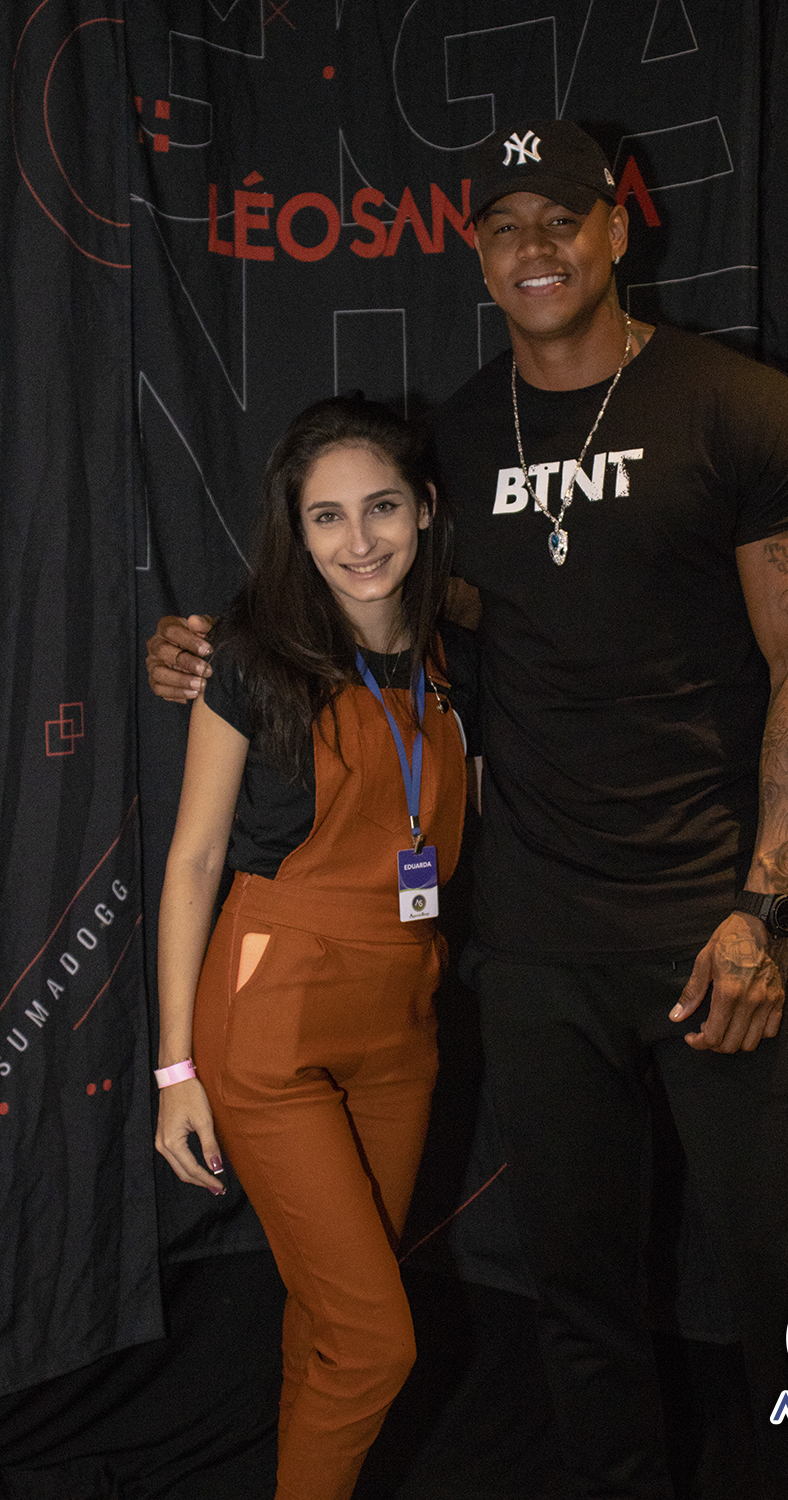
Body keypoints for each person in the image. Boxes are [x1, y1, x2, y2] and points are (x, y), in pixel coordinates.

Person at [149, 122, 788, 1498]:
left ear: (617, 228)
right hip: (537, 949)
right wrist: (209, 651)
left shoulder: (738, 408)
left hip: (720, 924)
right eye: (503, 226)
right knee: (579, 1295)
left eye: (562, 216)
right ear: (476, 254)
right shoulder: (459, 440)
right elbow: (361, 607)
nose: (534, 246)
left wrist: (767, 909)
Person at [153, 395, 471, 1500]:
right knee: (377, 1342)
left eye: (381, 507)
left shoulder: (455, 658)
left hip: (402, 1026)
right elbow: (194, 860)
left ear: (424, 509)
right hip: (271, 1020)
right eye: (326, 517)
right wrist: (175, 1070)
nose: (359, 540)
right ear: (297, 531)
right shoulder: (248, 657)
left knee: (332, 1320)